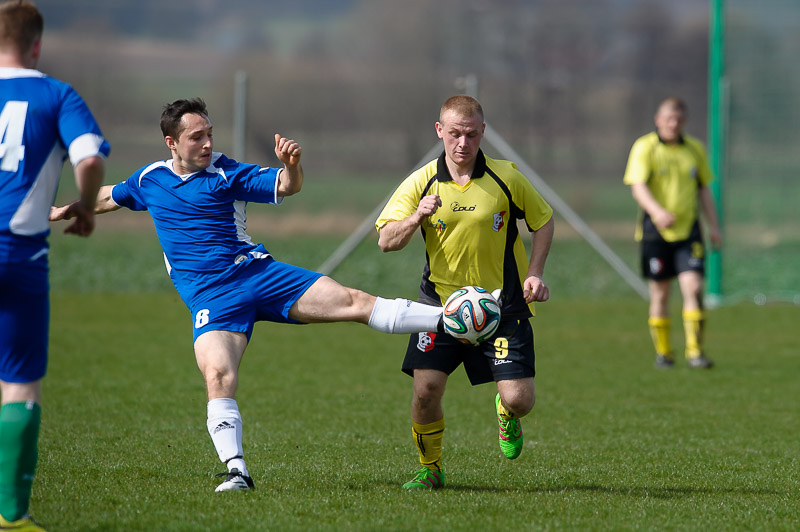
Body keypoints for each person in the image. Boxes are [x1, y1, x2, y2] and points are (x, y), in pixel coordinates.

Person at [50, 97, 450, 493]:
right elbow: (106, 197)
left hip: (260, 275)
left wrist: (292, 166)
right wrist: (61, 211)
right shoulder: (149, 179)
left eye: (209, 134)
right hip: (212, 298)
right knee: (218, 375)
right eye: (196, 137)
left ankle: (454, 319)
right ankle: (237, 472)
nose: (207, 143)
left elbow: (286, 186)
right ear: (171, 143)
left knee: (353, 301)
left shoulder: (227, 172)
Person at [375, 95, 554, 490]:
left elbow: (543, 221)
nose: (463, 142)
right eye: (454, 133)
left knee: (521, 400)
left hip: (503, 307)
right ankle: (430, 468)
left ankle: (506, 412)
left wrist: (535, 273)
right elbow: (386, 240)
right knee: (425, 390)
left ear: (482, 133)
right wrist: (417, 215)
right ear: (439, 131)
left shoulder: (507, 177)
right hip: (439, 307)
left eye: (471, 134)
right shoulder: (422, 180)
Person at [0, 1, 108, 530]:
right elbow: (89, 158)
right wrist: (85, 206)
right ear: (37, 45)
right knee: (18, 384)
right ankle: (12, 518)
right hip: (19, 255)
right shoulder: (55, 94)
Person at [623, 97, 722, 370]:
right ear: (658, 119)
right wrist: (657, 211)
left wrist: (714, 226)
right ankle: (664, 353)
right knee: (661, 293)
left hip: (689, 231)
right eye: (668, 118)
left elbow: (704, 189)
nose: (673, 124)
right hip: (655, 233)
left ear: (684, 121)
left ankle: (695, 352)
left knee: (694, 287)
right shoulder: (645, 147)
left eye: (678, 119)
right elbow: (638, 186)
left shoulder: (694, 149)